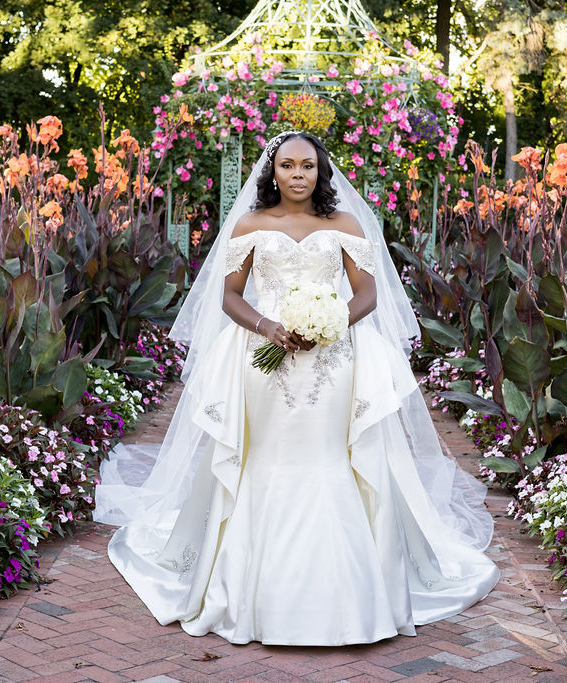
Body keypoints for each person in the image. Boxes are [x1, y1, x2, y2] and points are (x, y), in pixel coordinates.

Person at [94, 131, 499, 646]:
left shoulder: (345, 224)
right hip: (266, 363)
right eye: (288, 166)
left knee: (332, 456)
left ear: (321, 172)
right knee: (268, 457)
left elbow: (369, 292)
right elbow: (230, 295)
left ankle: (350, 593)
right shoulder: (251, 224)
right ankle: (251, 593)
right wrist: (266, 327)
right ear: (273, 172)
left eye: (308, 165)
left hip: (334, 361)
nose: (298, 174)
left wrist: (333, 322)